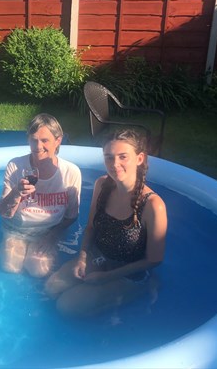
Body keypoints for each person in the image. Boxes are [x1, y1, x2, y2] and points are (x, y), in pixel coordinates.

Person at [44, 129, 167, 316]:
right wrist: (83, 257)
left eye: (122, 157)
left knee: (67, 307)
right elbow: (91, 227)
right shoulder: (102, 185)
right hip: (100, 258)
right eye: (109, 157)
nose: (115, 164)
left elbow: (154, 259)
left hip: (130, 274)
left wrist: (106, 277)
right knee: (51, 288)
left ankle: (142, 289)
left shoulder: (153, 205)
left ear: (139, 158)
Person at [0, 113, 81, 278]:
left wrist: (52, 236)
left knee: (38, 271)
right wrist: (16, 192)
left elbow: (72, 216)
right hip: (17, 229)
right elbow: (4, 213)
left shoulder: (70, 172)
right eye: (33, 139)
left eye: (44, 140)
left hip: (49, 231)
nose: (37, 146)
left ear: (58, 140)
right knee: (10, 267)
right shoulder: (16, 166)